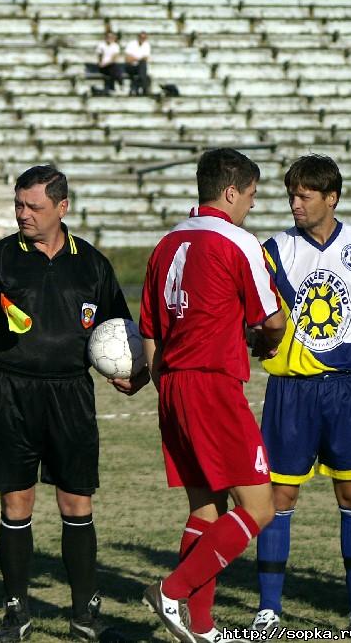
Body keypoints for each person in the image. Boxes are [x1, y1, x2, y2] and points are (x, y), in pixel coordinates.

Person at [0, 165, 146, 642]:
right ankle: (16, 612)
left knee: (76, 501)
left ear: (62, 208)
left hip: (71, 393)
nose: (23, 214)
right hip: (11, 391)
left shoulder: (93, 264)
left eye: (33, 206)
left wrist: (135, 374)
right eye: (19, 205)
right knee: (16, 501)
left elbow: (120, 333)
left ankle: (85, 614)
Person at [139, 148, 286, 643]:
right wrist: (263, 343)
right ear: (230, 192)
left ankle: (200, 626)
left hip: (173, 385)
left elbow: (151, 334)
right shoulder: (238, 241)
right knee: (260, 506)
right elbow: (273, 320)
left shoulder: (165, 243)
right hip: (212, 384)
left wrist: (164, 383)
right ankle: (172, 591)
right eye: (250, 195)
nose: (250, 205)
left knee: (206, 509)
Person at [251, 155, 351, 635]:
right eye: (291, 195)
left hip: (350, 390)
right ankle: (269, 609)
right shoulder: (273, 251)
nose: (294, 204)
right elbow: (252, 316)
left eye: (304, 196)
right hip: (291, 391)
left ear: (331, 197)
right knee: (279, 496)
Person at [123, 32, 151, 96]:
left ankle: (136, 89)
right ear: (138, 37)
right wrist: (139, 59)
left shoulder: (147, 45)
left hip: (139, 67)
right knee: (143, 71)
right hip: (130, 66)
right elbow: (128, 59)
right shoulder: (131, 44)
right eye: (141, 37)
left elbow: (146, 58)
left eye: (144, 38)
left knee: (143, 66)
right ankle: (144, 88)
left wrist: (134, 58)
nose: (142, 39)